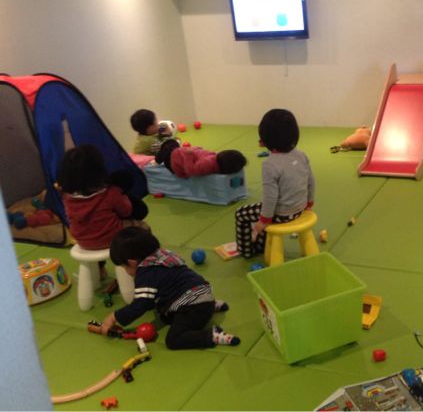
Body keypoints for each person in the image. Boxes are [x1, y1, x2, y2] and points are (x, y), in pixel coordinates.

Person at [100, 227, 240, 350]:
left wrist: (114, 317)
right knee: (165, 316)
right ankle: (210, 305)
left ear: (132, 262)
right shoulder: (162, 254)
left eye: (124, 267)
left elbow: (139, 306)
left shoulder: (145, 273)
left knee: (174, 340)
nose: (126, 271)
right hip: (203, 292)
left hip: (193, 306)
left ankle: (212, 335)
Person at [58, 144, 149, 278]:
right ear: (99, 171)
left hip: (83, 241)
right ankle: (143, 264)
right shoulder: (110, 193)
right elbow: (126, 211)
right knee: (142, 227)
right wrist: (123, 196)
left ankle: (98, 271)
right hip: (111, 238)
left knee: (95, 229)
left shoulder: (67, 197)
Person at [234, 109, 315, 258]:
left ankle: (246, 251)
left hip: (282, 214)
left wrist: (263, 221)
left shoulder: (270, 164)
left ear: (265, 139)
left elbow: (270, 197)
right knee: (263, 209)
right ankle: (261, 245)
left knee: (241, 213)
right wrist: (309, 203)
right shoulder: (301, 155)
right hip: (301, 208)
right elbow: (311, 182)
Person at [155, 139, 247, 178]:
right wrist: (197, 150)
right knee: (174, 144)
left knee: (170, 143)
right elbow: (204, 155)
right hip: (179, 155)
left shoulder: (207, 164)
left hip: (173, 161)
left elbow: (191, 171)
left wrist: (188, 155)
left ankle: (158, 159)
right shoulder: (214, 161)